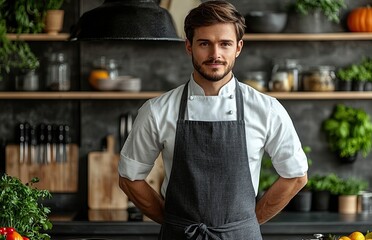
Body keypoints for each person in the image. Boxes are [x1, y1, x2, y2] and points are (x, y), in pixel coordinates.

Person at [118, 1, 308, 239]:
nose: (215, 54)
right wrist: (173, 221)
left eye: (225, 44)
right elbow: (129, 178)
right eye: (204, 43)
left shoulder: (266, 109)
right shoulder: (157, 110)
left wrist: (246, 223)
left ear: (238, 47)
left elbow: (296, 176)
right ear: (189, 46)